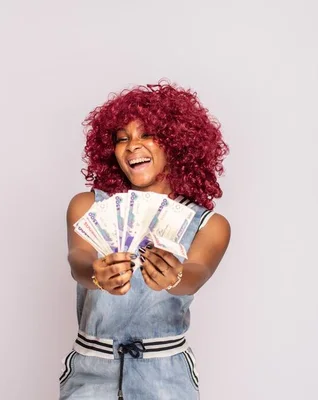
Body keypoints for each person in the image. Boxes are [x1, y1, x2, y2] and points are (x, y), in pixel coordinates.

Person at [60, 81, 231, 400]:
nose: (131, 146)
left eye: (146, 135)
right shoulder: (88, 206)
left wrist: (173, 275)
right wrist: (98, 274)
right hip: (91, 371)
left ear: (177, 143)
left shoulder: (209, 224)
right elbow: (78, 260)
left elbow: (196, 273)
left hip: (166, 376)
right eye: (121, 139)